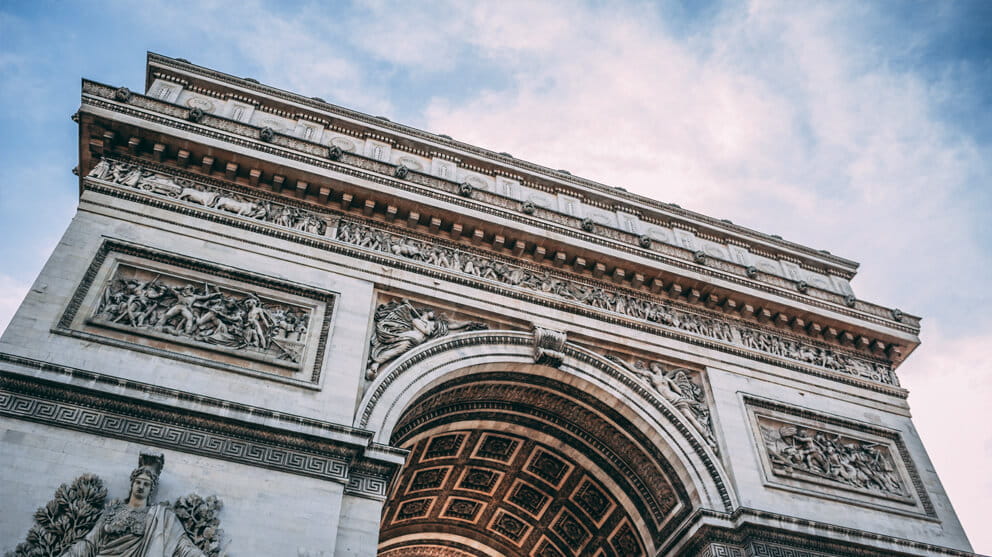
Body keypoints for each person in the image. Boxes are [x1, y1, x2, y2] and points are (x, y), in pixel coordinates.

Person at [60, 466, 205, 557]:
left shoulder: (161, 516)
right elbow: (91, 542)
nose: (141, 486)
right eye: (138, 482)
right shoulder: (113, 510)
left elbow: (182, 545)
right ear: (132, 484)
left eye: (146, 484)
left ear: (151, 489)